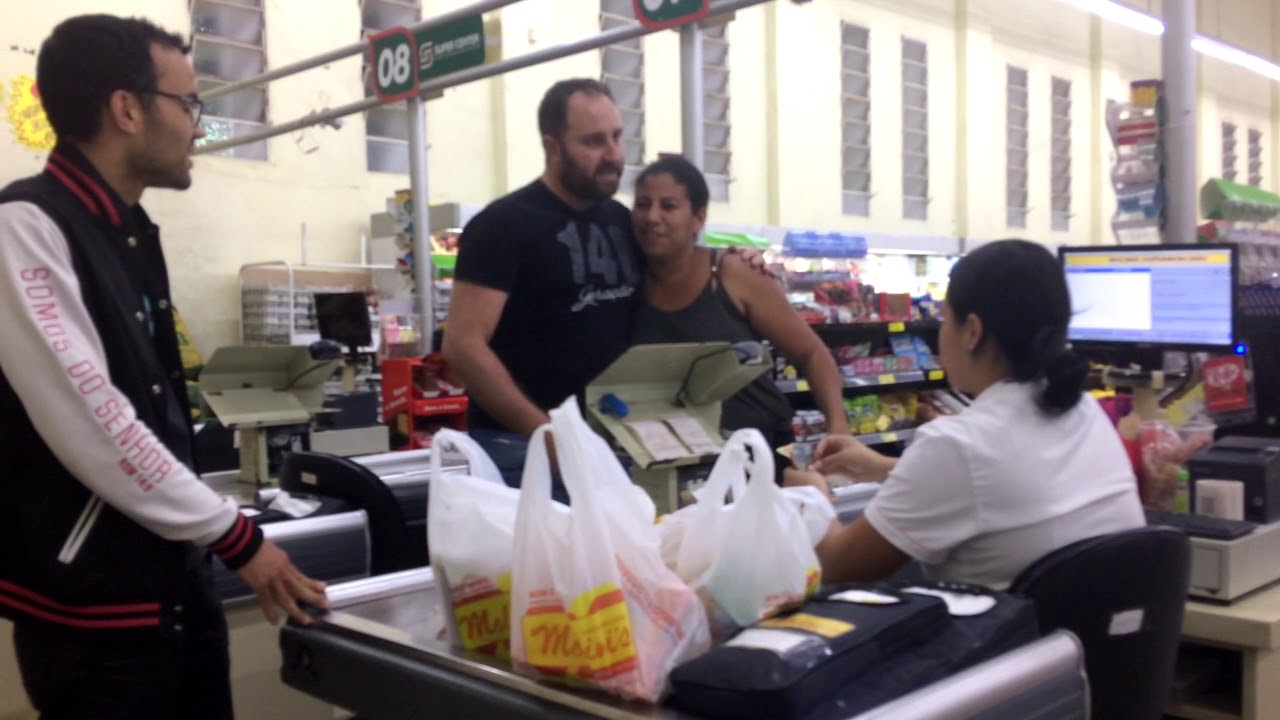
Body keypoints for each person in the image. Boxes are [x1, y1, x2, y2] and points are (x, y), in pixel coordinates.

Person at [0, 15, 329, 719]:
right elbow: (92, 417)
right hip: (97, 622)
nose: (197, 129)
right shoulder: (25, 227)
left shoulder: (127, 231)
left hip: (173, 592)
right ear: (126, 109)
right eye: (189, 104)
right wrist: (235, 536)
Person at [810, 239, 1144, 590]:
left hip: (1011, 626)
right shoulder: (1083, 410)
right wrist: (880, 467)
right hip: (1102, 623)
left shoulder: (957, 445)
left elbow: (836, 567)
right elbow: (1003, 482)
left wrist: (812, 496)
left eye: (944, 318)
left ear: (972, 331)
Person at [443, 78, 638, 497]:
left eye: (617, 137)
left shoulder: (623, 222)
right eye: (594, 141)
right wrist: (550, 437)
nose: (614, 155)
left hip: (611, 447)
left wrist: (738, 263)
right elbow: (462, 345)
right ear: (553, 147)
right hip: (523, 451)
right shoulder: (503, 226)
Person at [629, 156, 849, 485]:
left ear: (698, 218)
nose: (652, 217)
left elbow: (812, 353)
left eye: (668, 206)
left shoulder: (732, 273)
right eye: (642, 204)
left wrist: (838, 428)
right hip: (679, 464)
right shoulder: (627, 280)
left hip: (764, 452)